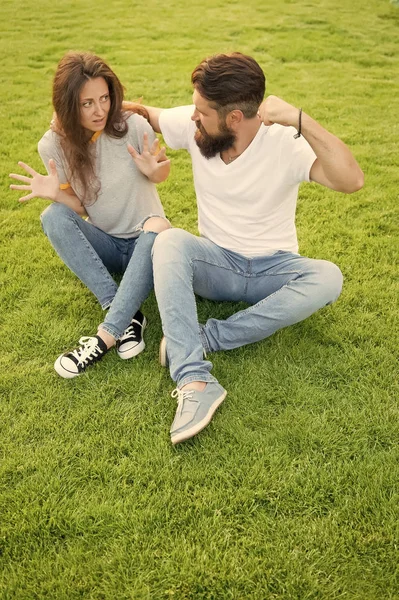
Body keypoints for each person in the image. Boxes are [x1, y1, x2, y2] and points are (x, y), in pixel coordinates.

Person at [141, 52, 364, 445]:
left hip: (272, 271)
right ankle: (194, 379)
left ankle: (208, 336)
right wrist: (88, 109)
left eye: (201, 111)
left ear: (234, 119)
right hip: (216, 265)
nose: (193, 117)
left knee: (328, 277)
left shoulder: (284, 143)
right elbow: (146, 113)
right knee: (170, 240)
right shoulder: (197, 127)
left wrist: (301, 119)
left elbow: (351, 181)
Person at [9, 51, 171, 378]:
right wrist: (56, 193)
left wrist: (155, 172)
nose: (100, 111)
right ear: (69, 105)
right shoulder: (52, 145)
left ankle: (108, 332)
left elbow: (160, 174)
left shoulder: (133, 125)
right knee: (52, 215)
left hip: (152, 245)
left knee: (158, 225)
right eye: (87, 104)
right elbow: (83, 208)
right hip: (109, 244)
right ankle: (123, 311)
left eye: (105, 98)